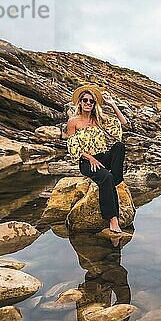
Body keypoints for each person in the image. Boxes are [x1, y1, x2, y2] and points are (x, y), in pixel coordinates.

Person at [63, 84, 128, 233]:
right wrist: (90, 158)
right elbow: (73, 146)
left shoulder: (98, 119)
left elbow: (123, 123)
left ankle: (116, 179)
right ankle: (113, 219)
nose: (88, 103)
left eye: (91, 101)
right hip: (86, 161)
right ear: (80, 102)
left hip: (102, 156)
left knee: (119, 146)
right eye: (85, 100)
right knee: (105, 177)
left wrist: (112, 104)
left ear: (94, 104)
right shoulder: (73, 122)